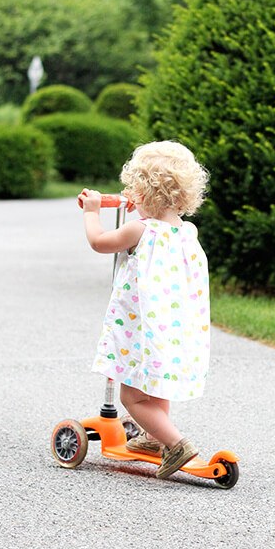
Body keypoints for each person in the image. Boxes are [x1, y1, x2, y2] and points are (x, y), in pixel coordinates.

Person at [78, 140, 210, 479]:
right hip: (171, 328)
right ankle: (152, 438)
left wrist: (92, 211)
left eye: (132, 190)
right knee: (156, 387)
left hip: (142, 329)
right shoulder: (185, 232)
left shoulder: (141, 230)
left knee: (132, 398)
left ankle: (176, 444)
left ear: (145, 194)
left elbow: (99, 242)